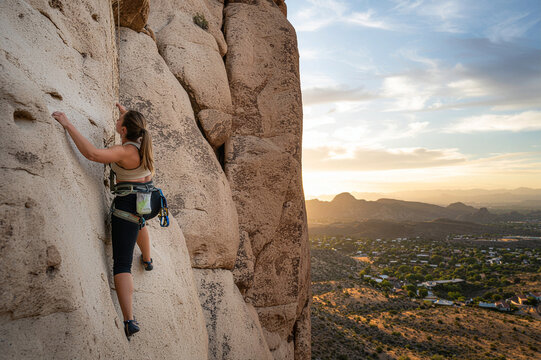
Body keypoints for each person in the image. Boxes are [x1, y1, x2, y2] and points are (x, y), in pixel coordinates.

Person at [52, 103, 163, 340]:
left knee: (122, 264)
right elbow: (137, 125)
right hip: (149, 201)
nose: (116, 123)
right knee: (141, 221)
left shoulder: (124, 152)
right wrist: (126, 115)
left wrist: (67, 124)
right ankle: (147, 259)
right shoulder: (144, 142)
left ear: (124, 131)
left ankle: (129, 320)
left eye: (119, 123)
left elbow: (92, 154)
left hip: (129, 206)